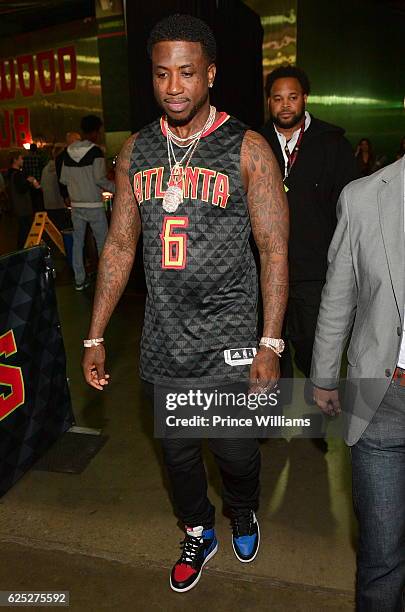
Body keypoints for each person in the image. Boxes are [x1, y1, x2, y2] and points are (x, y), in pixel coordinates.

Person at [82, 14, 289, 593]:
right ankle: (199, 530)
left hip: (229, 339)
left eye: (188, 73)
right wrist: (95, 334)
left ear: (211, 75)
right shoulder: (137, 151)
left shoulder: (248, 149)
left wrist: (269, 344)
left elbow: (274, 252)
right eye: (162, 74)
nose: (174, 86)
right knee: (177, 460)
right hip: (163, 342)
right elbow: (121, 243)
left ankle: (242, 510)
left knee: (236, 455)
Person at [311, 155, 405, 611]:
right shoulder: (363, 197)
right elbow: (338, 295)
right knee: (380, 558)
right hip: (380, 399)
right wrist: (325, 377)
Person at [260, 65, 356, 383]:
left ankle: (319, 410)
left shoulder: (332, 144)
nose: (285, 105)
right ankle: (270, 412)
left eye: (293, 97)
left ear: (305, 98)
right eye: (277, 98)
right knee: (270, 349)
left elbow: (350, 211)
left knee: (313, 349)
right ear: (268, 102)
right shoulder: (253, 145)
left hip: (314, 273)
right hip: (265, 271)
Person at [60, 116, 114, 290]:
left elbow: (64, 180)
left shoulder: (67, 152)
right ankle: (106, 282)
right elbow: (100, 179)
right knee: (102, 243)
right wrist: (117, 189)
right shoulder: (96, 152)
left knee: (78, 243)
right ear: (95, 131)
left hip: (76, 206)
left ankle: (79, 280)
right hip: (94, 206)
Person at [6, 151, 40, 249]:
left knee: (23, 231)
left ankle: (21, 252)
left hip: (18, 208)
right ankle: (23, 253)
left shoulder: (11, 173)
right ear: (15, 160)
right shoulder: (17, 174)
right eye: (21, 158)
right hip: (23, 208)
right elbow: (21, 189)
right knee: (25, 233)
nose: (23, 160)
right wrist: (29, 182)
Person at [40, 147, 70, 231]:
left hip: (49, 205)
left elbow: (42, 187)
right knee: (64, 229)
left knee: (54, 231)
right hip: (60, 204)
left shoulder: (45, 169)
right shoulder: (61, 168)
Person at [55, 131, 81, 205]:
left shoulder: (77, 155)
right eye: (78, 141)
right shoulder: (62, 158)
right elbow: (61, 178)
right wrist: (65, 195)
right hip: (72, 193)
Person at [22, 142, 46, 212]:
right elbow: (42, 170)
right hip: (38, 182)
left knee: (32, 201)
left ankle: (33, 213)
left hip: (29, 182)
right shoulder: (39, 158)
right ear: (36, 150)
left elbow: (24, 170)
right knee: (39, 201)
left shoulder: (25, 158)